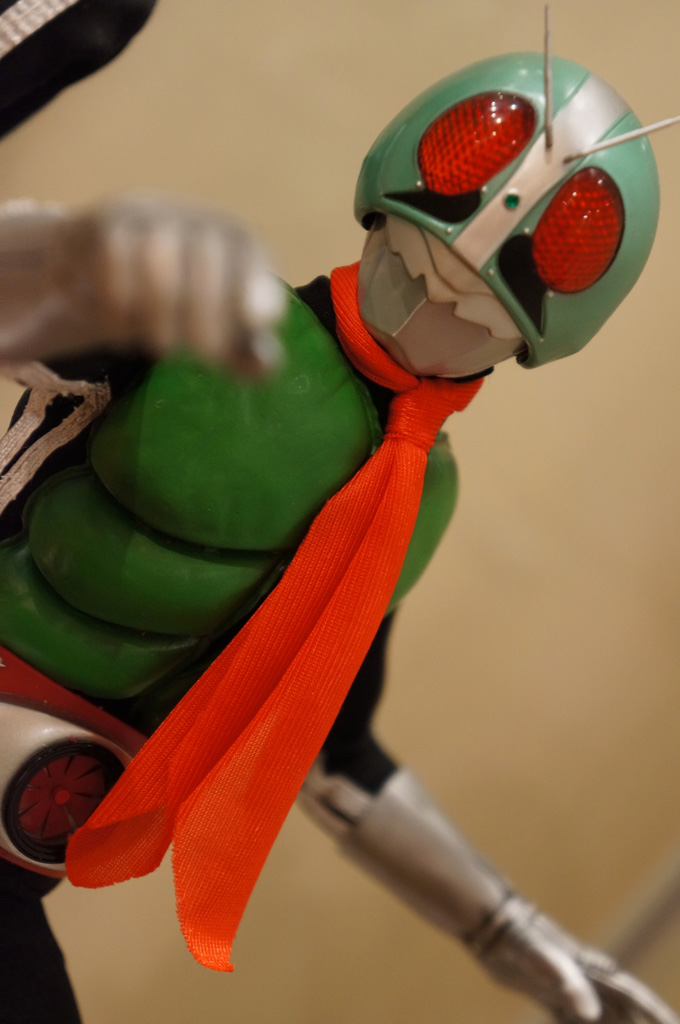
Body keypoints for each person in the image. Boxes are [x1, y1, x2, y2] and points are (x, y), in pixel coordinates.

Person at [0, 5, 676, 1023]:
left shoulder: (409, 498)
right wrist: (71, 256)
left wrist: (504, 929)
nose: (439, 297)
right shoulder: (202, 312)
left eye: (480, 303)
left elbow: (323, 744)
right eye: (427, 260)